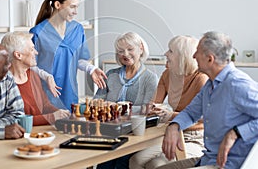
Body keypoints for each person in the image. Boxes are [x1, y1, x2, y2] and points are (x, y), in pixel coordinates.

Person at [158, 31, 258, 169]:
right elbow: (191, 113)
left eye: (197, 52)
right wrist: (174, 126)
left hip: (229, 164)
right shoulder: (210, 85)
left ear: (210, 59)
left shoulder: (237, 84)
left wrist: (235, 133)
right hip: (208, 159)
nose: (193, 56)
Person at [129, 35, 208, 169]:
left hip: (196, 137)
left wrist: (171, 115)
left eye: (170, 51)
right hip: (173, 132)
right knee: (135, 160)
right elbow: (153, 103)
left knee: (156, 164)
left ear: (182, 56)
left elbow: (204, 117)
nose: (165, 53)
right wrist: (151, 108)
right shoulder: (167, 74)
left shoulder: (201, 79)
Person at [30, 0, 107, 111]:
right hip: (46, 94)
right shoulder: (38, 32)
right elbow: (31, 66)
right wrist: (47, 77)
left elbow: (78, 59)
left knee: (70, 128)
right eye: (72, 7)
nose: (76, 12)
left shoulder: (77, 29)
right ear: (57, 5)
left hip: (69, 93)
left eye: (77, 7)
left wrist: (91, 69)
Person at [95, 32, 159, 169]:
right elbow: (97, 101)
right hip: (108, 133)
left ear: (140, 48)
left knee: (121, 164)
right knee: (103, 164)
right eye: (120, 51)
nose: (125, 54)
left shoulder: (150, 78)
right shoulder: (111, 75)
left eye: (130, 49)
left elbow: (149, 110)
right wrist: (101, 105)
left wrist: (119, 108)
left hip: (134, 134)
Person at [1, 32, 71, 126]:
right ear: (18, 55)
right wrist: (53, 117)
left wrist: (61, 113)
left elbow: (45, 106)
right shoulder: (4, 83)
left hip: (40, 134)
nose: (36, 52)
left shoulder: (33, 75)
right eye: (31, 49)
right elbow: (17, 121)